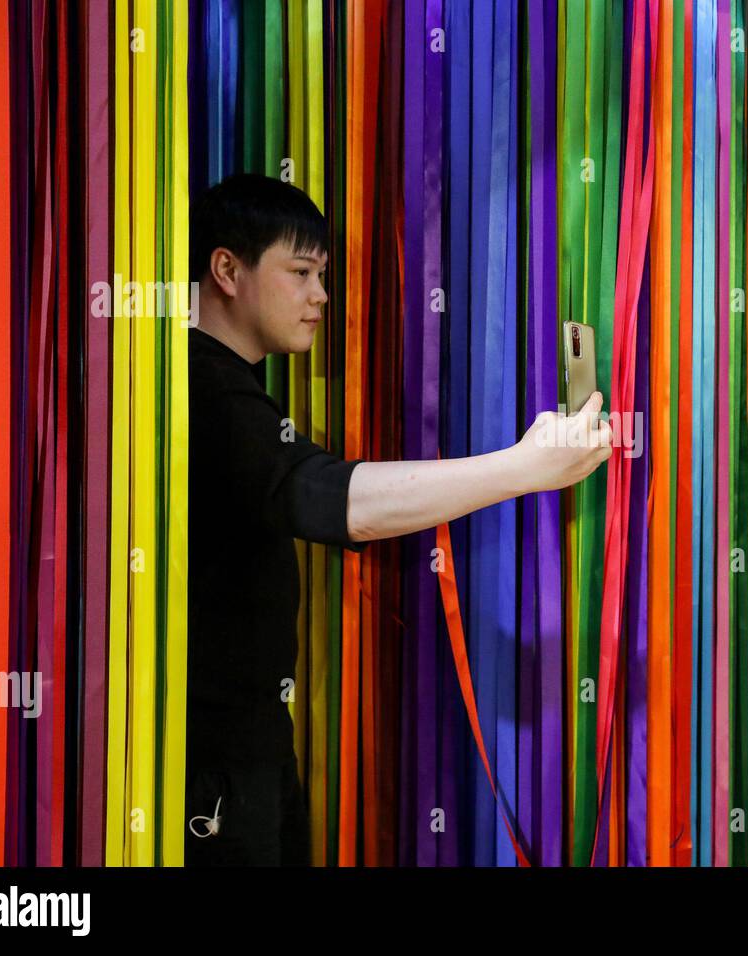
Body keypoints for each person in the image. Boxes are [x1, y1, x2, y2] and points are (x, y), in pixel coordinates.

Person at [184, 173, 611, 866]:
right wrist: (523, 469)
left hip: (251, 749)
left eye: (322, 274)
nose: (321, 296)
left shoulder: (228, 386)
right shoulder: (203, 384)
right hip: (216, 768)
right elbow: (323, 498)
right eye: (300, 272)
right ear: (227, 269)